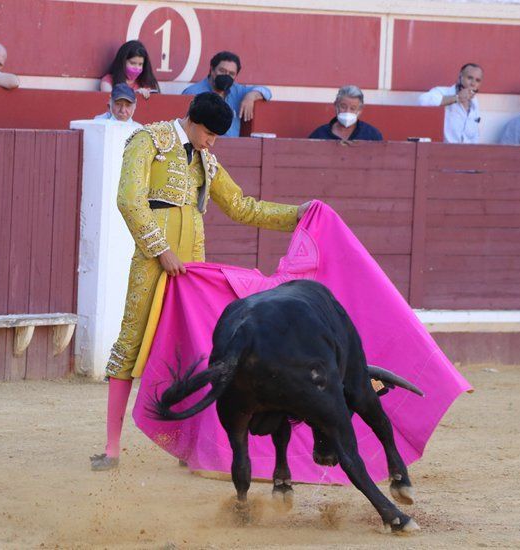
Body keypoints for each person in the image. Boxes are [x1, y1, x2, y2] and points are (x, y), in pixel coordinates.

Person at [90, 92, 311, 471]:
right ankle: (111, 448)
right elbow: (129, 200)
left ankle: (190, 449)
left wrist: (295, 215)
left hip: (193, 264)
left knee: (196, 350)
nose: (211, 142)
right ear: (190, 119)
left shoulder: (205, 159)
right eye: (208, 133)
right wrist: (160, 250)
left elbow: (241, 206)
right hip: (153, 259)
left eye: (216, 137)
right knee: (130, 342)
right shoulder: (149, 141)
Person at [182, 51, 271, 137]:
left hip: (233, 148)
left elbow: (267, 92)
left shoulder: (238, 91)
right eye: (222, 71)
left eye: (231, 73)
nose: (226, 75)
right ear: (212, 70)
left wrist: (251, 96)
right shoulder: (193, 92)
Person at [417, 63, 483, 143]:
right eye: (469, 78)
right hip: (444, 151)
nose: (473, 83)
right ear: (460, 77)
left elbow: (475, 135)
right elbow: (422, 100)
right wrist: (456, 98)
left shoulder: (475, 102)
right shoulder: (443, 92)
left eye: (477, 80)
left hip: (467, 152)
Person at [308, 85, 383, 142]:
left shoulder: (372, 135)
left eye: (353, 108)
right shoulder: (319, 135)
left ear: (360, 110)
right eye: (343, 106)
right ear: (336, 105)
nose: (347, 111)